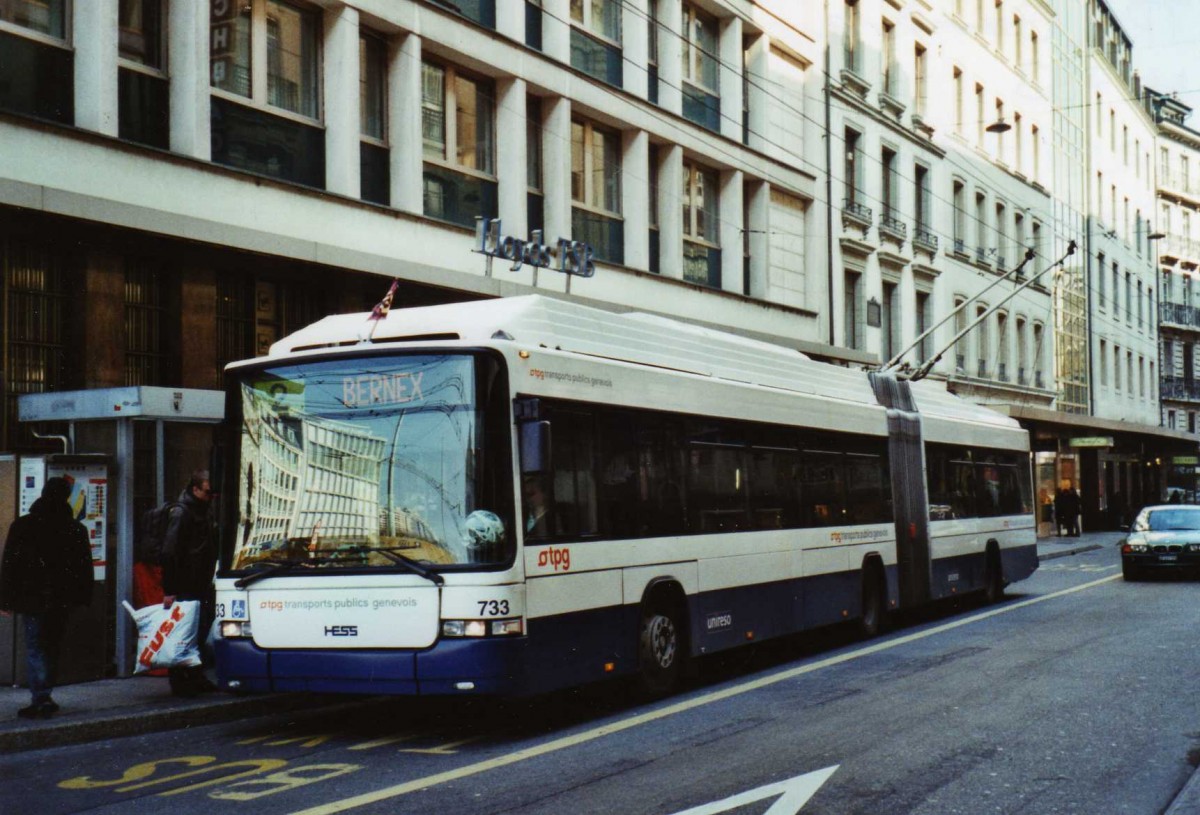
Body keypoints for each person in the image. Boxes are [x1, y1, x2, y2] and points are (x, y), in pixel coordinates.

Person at [0, 477, 92, 718]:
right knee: (52, 646)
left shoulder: (23, 526)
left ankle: (40, 697)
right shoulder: (76, 529)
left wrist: (5, 599)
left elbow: (9, 565)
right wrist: (83, 598)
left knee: (35, 647)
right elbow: (84, 568)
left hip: (31, 597)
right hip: (62, 599)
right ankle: (46, 694)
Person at [161, 469, 217, 697]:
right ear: (195, 489)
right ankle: (180, 680)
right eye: (207, 491)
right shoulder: (181, 513)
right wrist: (170, 589)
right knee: (183, 633)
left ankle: (195, 676)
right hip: (185, 585)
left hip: (200, 583)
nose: (211, 496)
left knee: (198, 631)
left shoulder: (204, 510)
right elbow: (169, 552)